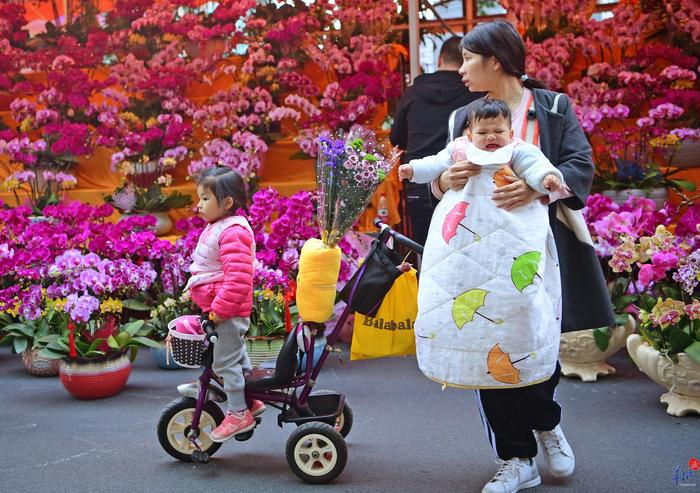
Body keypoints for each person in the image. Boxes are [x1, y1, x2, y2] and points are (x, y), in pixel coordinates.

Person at [427, 21, 615, 493]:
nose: (460, 68)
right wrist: (440, 183)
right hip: (473, 254)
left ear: (494, 61)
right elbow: (443, 172)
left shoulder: (551, 107)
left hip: (541, 249)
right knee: (482, 349)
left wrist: (534, 190)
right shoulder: (461, 118)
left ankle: (546, 422)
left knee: (534, 337)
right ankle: (516, 458)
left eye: (468, 58)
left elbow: (579, 166)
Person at [184, 166, 265, 443]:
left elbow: (239, 278)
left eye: (205, 199)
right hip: (224, 310)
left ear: (227, 202)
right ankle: (250, 400)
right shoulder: (220, 227)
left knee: (225, 361)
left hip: (228, 312)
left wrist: (219, 309)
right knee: (236, 355)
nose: (199, 205)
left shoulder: (233, 232)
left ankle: (238, 412)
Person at [390, 36, 482, 247]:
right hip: (463, 184)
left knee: (425, 249)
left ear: (440, 59)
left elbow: (396, 138)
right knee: (464, 247)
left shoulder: (413, 92)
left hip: (418, 183)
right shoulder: (473, 93)